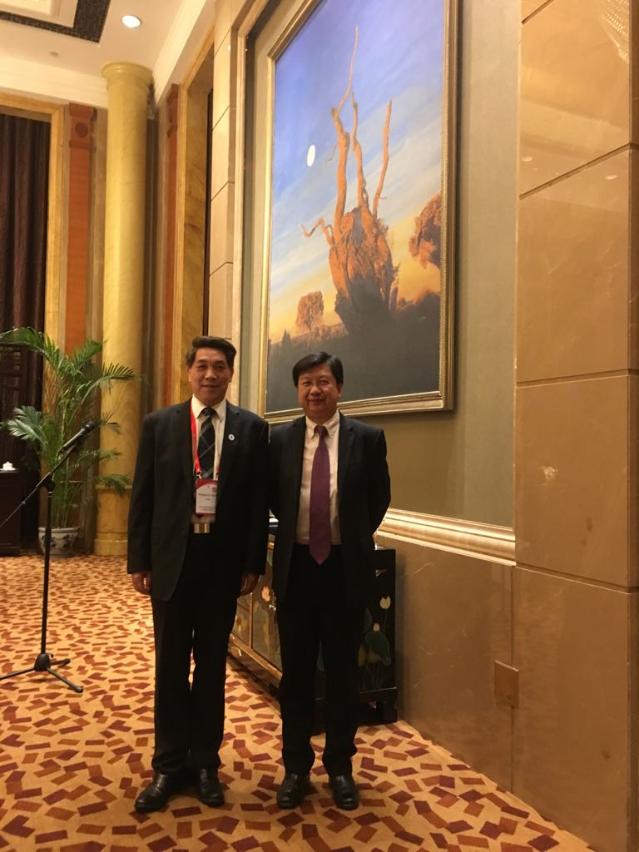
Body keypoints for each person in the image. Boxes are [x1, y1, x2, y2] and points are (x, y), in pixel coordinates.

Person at [128, 335, 268, 812]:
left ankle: (206, 763)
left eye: (220, 367)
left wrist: (253, 562)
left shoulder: (252, 429)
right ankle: (168, 765)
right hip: (173, 561)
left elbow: (256, 504)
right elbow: (143, 494)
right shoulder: (159, 424)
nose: (211, 375)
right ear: (188, 371)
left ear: (231, 373)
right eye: (202, 366)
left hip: (221, 565)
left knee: (210, 669)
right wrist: (139, 559)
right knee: (170, 667)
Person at [269, 352, 391, 810]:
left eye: (323, 381)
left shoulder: (368, 438)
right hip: (297, 568)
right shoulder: (279, 440)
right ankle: (295, 767)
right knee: (296, 675)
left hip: (344, 569)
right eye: (306, 383)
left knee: (343, 674)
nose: (314, 390)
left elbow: (379, 497)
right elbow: (274, 497)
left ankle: (340, 767)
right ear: (297, 390)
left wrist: (351, 536)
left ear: (339, 387)